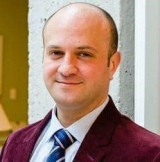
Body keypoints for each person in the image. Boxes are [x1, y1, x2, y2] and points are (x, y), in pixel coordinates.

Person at [1, 2, 160, 162]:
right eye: (56, 53)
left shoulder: (150, 154)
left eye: (84, 54)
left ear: (112, 65)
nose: (66, 69)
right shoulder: (14, 144)